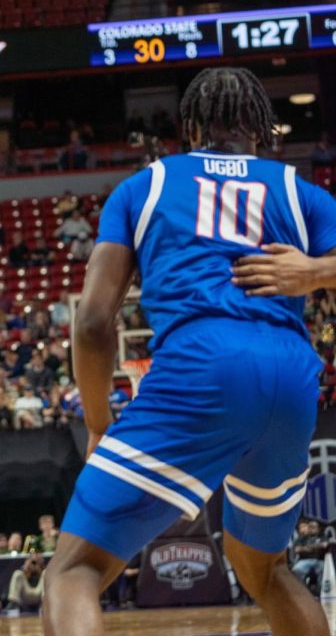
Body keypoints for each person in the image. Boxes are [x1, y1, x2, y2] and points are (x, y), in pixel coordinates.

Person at [43, 67, 336, 636]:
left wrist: (100, 424)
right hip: (292, 381)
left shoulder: (145, 186)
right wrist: (316, 272)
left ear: (191, 125)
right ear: (261, 129)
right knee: (267, 570)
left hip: (201, 366)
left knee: (73, 569)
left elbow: (95, 323)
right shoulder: (301, 192)